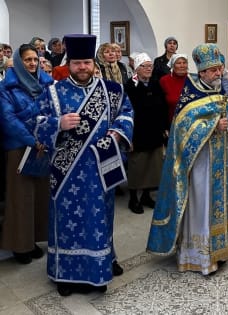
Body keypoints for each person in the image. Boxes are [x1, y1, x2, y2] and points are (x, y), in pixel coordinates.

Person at [34, 34, 133, 296]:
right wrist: (58, 124)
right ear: (69, 63)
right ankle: (65, 274)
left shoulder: (112, 91)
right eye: (77, 63)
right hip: (66, 172)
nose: (82, 68)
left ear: (93, 63)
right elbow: (35, 122)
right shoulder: (53, 92)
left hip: (100, 169)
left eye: (86, 62)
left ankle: (100, 270)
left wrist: (115, 134)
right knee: (66, 223)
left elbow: (127, 114)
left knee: (99, 219)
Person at [147, 43, 228, 275]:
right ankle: (203, 257)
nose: (218, 73)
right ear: (201, 72)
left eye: (220, 68)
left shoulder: (219, 90)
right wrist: (213, 125)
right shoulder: (190, 95)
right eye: (213, 70)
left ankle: (222, 247)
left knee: (223, 203)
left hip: (223, 162)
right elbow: (182, 129)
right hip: (201, 166)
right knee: (203, 208)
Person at [0, 43, 54, 264]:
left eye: (35, 59)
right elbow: (8, 120)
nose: (32, 63)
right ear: (19, 62)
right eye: (27, 60)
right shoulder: (7, 87)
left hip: (42, 146)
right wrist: (33, 139)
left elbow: (53, 110)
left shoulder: (46, 83)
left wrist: (46, 136)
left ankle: (33, 240)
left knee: (39, 194)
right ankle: (19, 246)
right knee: (20, 197)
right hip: (19, 147)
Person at [124, 53, 169, 214]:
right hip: (137, 133)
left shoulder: (156, 84)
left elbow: (163, 106)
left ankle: (146, 196)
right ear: (137, 68)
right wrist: (128, 135)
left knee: (153, 167)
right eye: (145, 66)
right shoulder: (129, 86)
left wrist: (164, 127)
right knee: (137, 167)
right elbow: (126, 112)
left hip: (155, 131)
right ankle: (133, 199)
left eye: (151, 66)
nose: (149, 69)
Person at [159, 53, 189, 125]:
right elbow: (160, 106)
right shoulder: (164, 80)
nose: (182, 65)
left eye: (184, 63)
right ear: (173, 65)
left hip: (191, 123)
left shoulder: (193, 79)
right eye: (178, 63)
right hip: (171, 123)